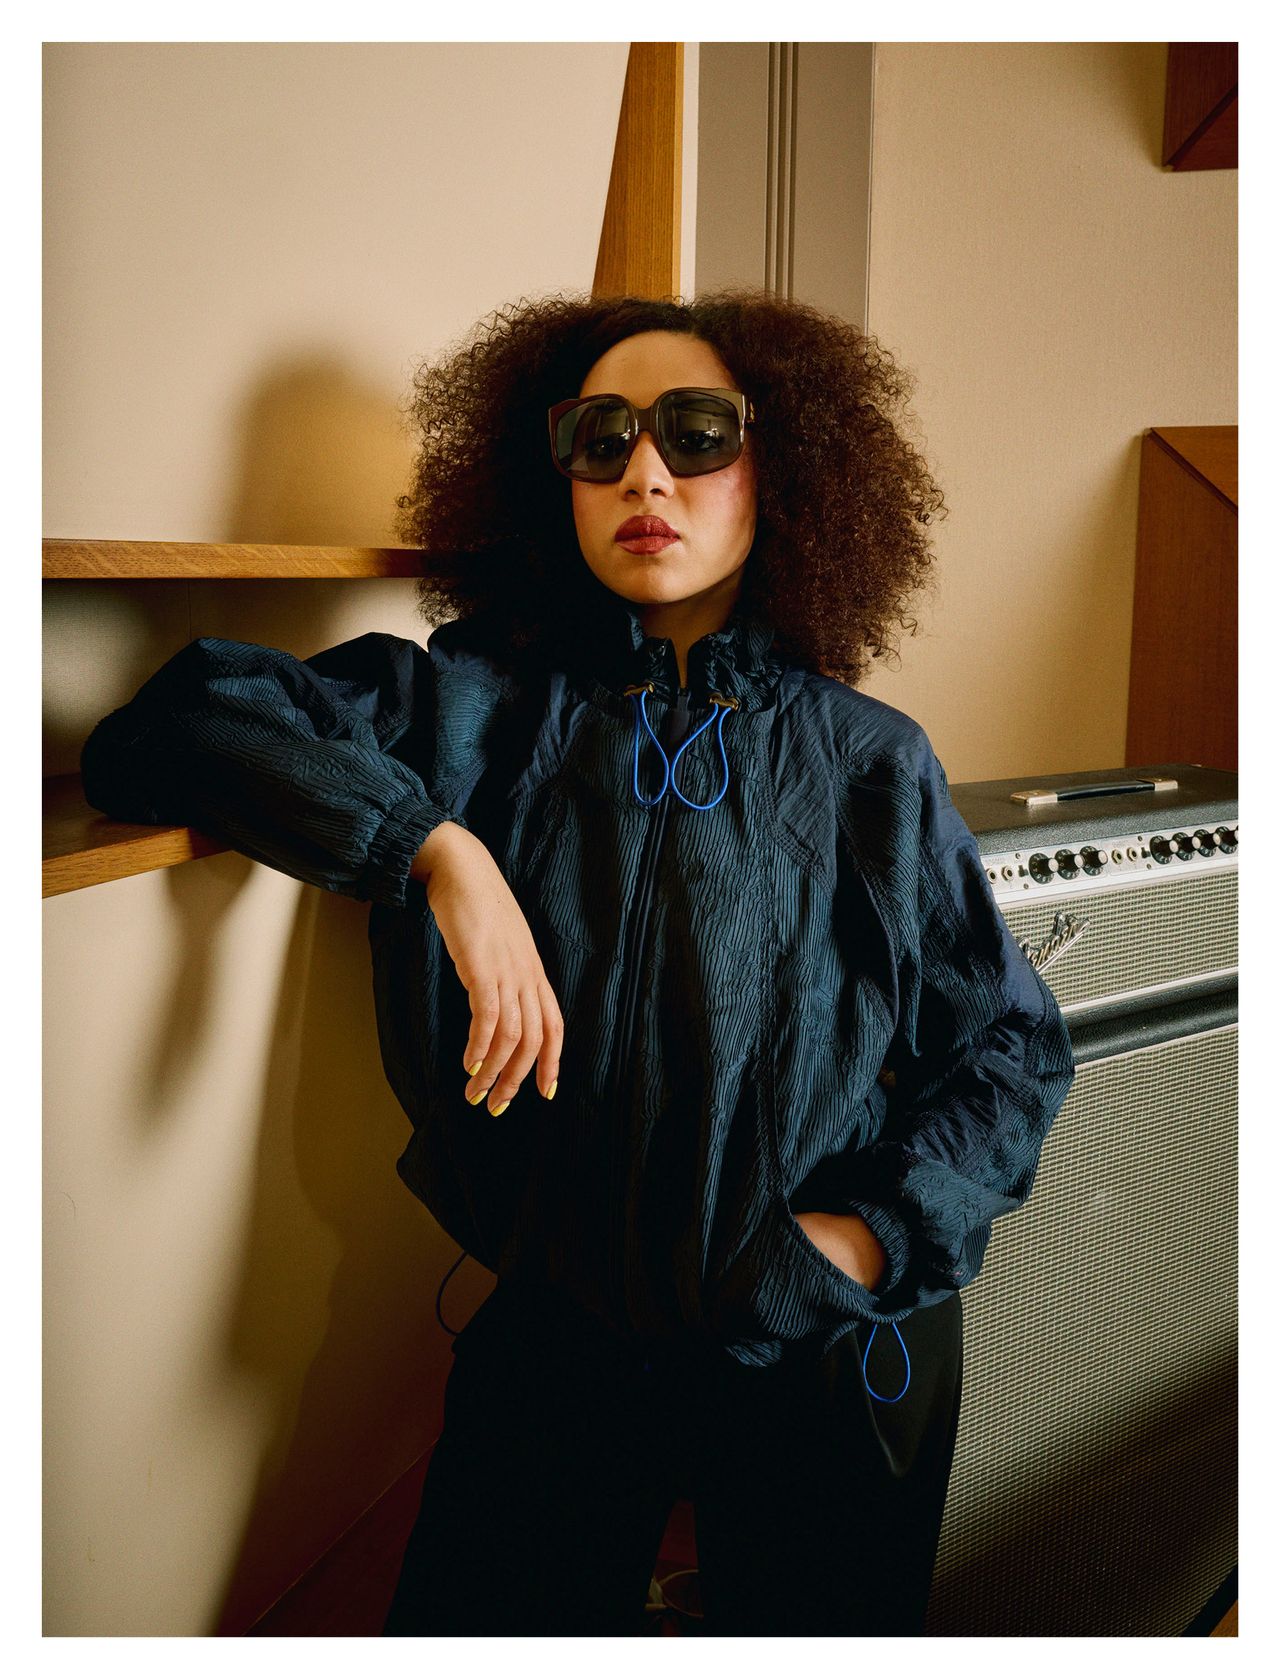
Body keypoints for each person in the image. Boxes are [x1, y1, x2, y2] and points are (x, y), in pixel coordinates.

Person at [80, 287, 1076, 1636]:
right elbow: (173, 724)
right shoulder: (466, 706)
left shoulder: (869, 763)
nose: (642, 473)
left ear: (783, 464)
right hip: (560, 1340)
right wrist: (434, 848)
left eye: (696, 431)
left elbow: (1011, 1047)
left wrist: (861, 1239)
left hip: (818, 1342)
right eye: (598, 436)